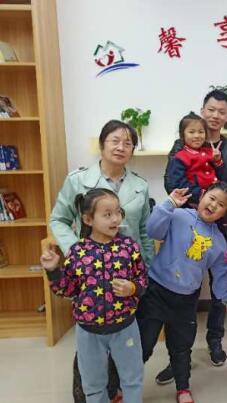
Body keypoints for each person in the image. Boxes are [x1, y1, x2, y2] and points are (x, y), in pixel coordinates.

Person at [49, 119, 154, 403]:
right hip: (90, 276)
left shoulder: (140, 185)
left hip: (127, 275)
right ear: (102, 144)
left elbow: (144, 231)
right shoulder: (78, 180)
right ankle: (90, 395)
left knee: (125, 342)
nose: (121, 147)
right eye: (115, 141)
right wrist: (78, 252)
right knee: (90, 347)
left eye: (128, 142)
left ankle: (117, 391)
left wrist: (145, 270)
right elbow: (58, 220)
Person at [158, 91, 227, 385]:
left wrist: (223, 210)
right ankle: (178, 356)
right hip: (189, 225)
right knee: (184, 290)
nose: (215, 116)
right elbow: (172, 183)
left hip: (223, 229)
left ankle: (215, 340)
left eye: (221, 111)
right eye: (211, 109)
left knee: (221, 286)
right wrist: (205, 199)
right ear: (202, 110)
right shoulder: (181, 145)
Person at [42, 188, 147, 403]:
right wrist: (53, 271)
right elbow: (67, 290)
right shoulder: (77, 251)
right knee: (93, 385)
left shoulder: (129, 247)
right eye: (107, 214)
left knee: (132, 380)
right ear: (88, 219)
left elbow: (143, 281)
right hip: (88, 332)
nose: (115, 219)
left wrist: (132, 288)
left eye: (118, 212)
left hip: (125, 327)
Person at [137, 183, 227, 403]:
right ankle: (123, 386)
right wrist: (168, 204)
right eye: (212, 198)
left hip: (185, 300)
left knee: (181, 347)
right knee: (143, 344)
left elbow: (221, 274)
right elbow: (153, 231)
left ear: (225, 213)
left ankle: (183, 388)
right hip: (156, 292)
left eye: (221, 205)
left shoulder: (220, 242)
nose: (213, 205)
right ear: (202, 196)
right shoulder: (179, 215)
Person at [166, 112, 224, 205]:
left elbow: (222, 174)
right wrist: (200, 194)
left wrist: (217, 160)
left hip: (215, 197)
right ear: (182, 135)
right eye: (191, 132)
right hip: (194, 202)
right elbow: (178, 184)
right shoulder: (180, 157)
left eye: (201, 132)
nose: (197, 136)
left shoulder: (210, 152)